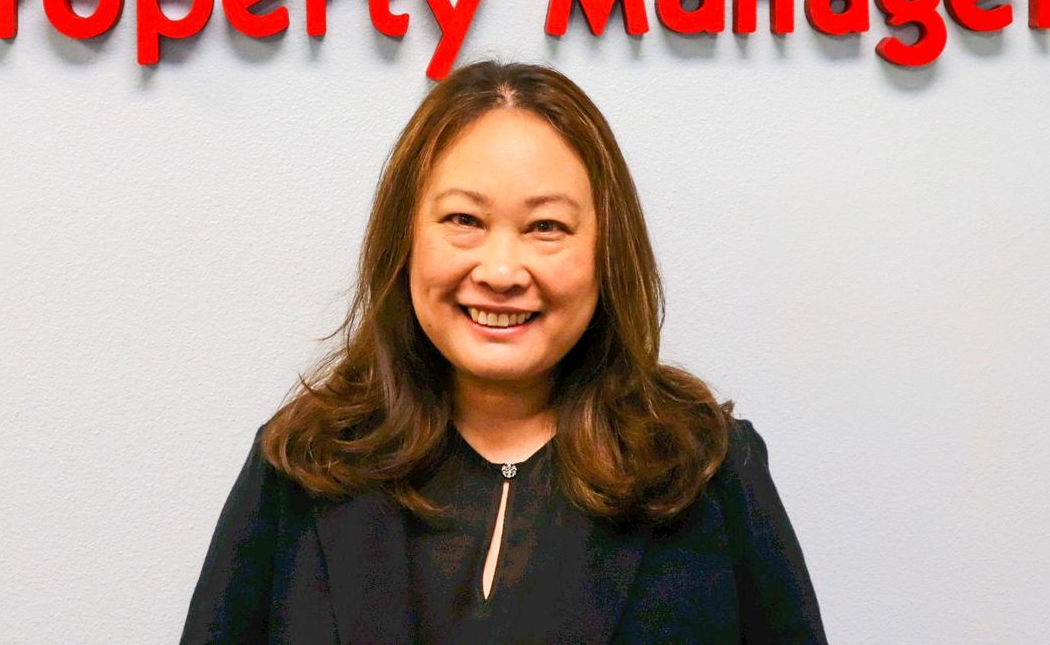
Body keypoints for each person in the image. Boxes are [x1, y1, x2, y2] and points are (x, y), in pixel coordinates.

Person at [180, 61, 828, 644]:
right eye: (464, 220)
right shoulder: (302, 463)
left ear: (607, 251)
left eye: (547, 227)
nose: (500, 271)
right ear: (405, 238)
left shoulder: (707, 469)